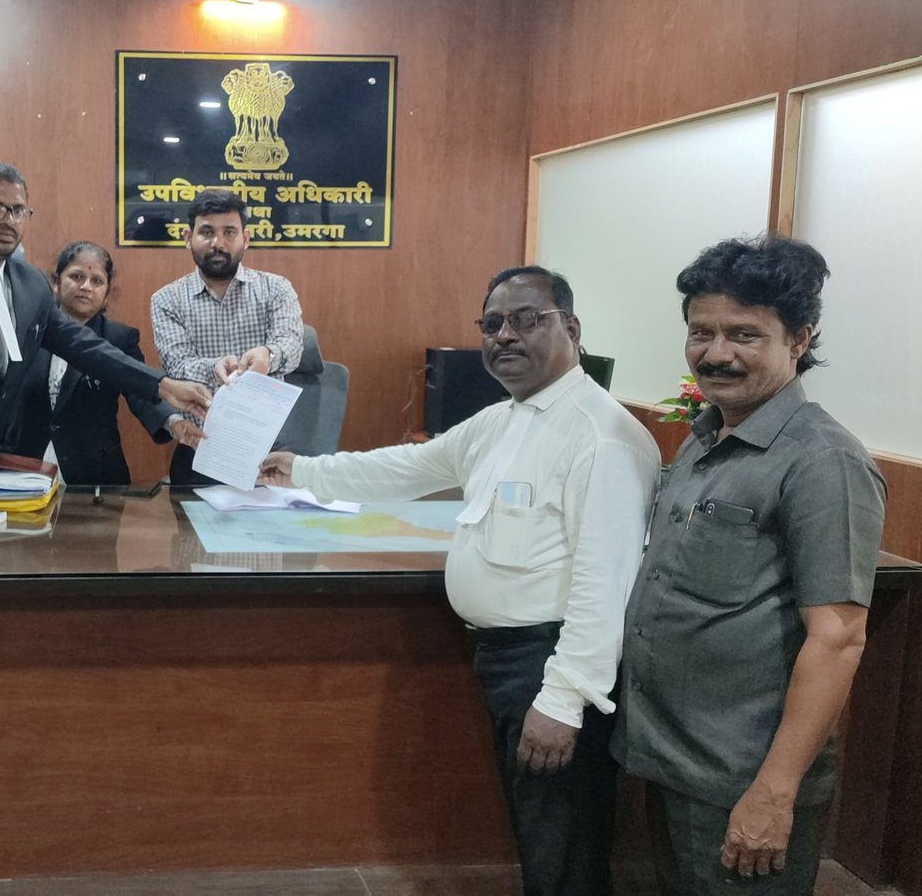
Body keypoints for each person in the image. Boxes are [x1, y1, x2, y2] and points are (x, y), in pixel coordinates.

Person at [260, 266, 659, 895]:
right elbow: (409, 468)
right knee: (542, 839)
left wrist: (562, 701)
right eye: (492, 324)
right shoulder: (503, 419)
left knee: (565, 848)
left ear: (572, 329)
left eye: (526, 319)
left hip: (548, 667)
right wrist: (303, 470)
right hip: (507, 661)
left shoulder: (602, 435)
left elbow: (605, 585)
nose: (505, 335)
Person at [613, 236, 886, 895]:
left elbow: (838, 638)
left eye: (744, 335)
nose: (716, 353)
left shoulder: (823, 461)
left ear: (799, 339)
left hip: (742, 778)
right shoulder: (706, 437)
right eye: (700, 332)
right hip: (672, 761)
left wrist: (773, 792)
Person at [0, 162, 212, 514]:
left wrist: (162, 385)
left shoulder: (28, 283)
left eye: (18, 210)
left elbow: (82, 346)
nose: (9, 220)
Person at [9, 240, 203, 484]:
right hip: (26, 465)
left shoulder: (119, 338)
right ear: (56, 283)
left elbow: (139, 390)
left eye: (97, 281)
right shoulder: (30, 329)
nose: (86, 287)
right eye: (76, 277)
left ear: (106, 294)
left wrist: (173, 422)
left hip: (94, 474)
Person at [151, 191, 304, 484]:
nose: (218, 243)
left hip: (267, 455)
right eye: (207, 232)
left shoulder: (276, 289)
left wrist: (267, 356)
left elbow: (291, 345)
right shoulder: (167, 299)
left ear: (246, 238)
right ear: (188, 237)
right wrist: (214, 367)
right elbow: (176, 366)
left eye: (229, 232)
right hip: (198, 449)